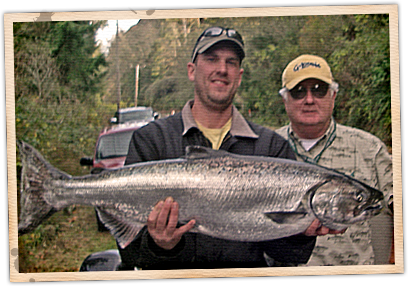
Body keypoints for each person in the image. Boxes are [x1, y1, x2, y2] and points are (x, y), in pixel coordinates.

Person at [117, 28, 337, 270]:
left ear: (239, 76)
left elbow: (284, 255)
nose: (222, 69)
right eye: (211, 59)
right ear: (192, 70)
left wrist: (300, 233)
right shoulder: (151, 140)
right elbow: (131, 253)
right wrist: (162, 246)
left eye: (231, 62)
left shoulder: (272, 148)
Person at [275, 54, 393, 265]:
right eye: (298, 92)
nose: (309, 99)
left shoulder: (370, 148)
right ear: (285, 100)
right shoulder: (267, 147)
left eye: (319, 90)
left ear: (333, 95)